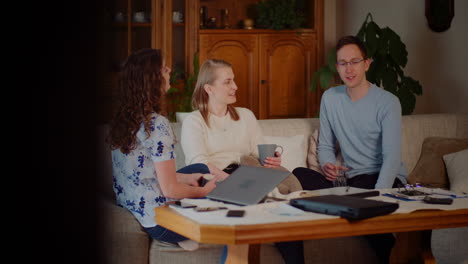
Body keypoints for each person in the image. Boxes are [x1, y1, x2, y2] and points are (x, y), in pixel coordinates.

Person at [293, 35, 407, 264]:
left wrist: (379, 195)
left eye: (354, 61)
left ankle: (385, 247)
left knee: (361, 191)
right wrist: (328, 165)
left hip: (380, 179)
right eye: (343, 63)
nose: (349, 69)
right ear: (337, 67)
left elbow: (392, 155)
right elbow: (325, 145)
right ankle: (346, 205)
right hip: (347, 182)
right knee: (298, 174)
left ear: (366, 63)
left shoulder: (388, 102)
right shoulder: (330, 98)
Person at [180, 58, 304, 264]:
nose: (235, 87)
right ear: (209, 88)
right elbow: (198, 163)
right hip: (216, 181)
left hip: (248, 176)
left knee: (287, 209)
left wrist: (273, 160)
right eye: (227, 82)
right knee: (257, 211)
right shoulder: (194, 121)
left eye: (234, 80)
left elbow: (258, 152)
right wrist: (231, 180)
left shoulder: (245, 116)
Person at [107, 48, 219, 250]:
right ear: (152, 79)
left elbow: (143, 171)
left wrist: (185, 178)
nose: (169, 70)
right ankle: (186, 235)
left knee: (200, 169)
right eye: (164, 68)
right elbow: (170, 189)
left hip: (134, 205)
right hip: (160, 221)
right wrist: (203, 191)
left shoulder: (123, 120)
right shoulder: (157, 124)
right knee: (221, 200)